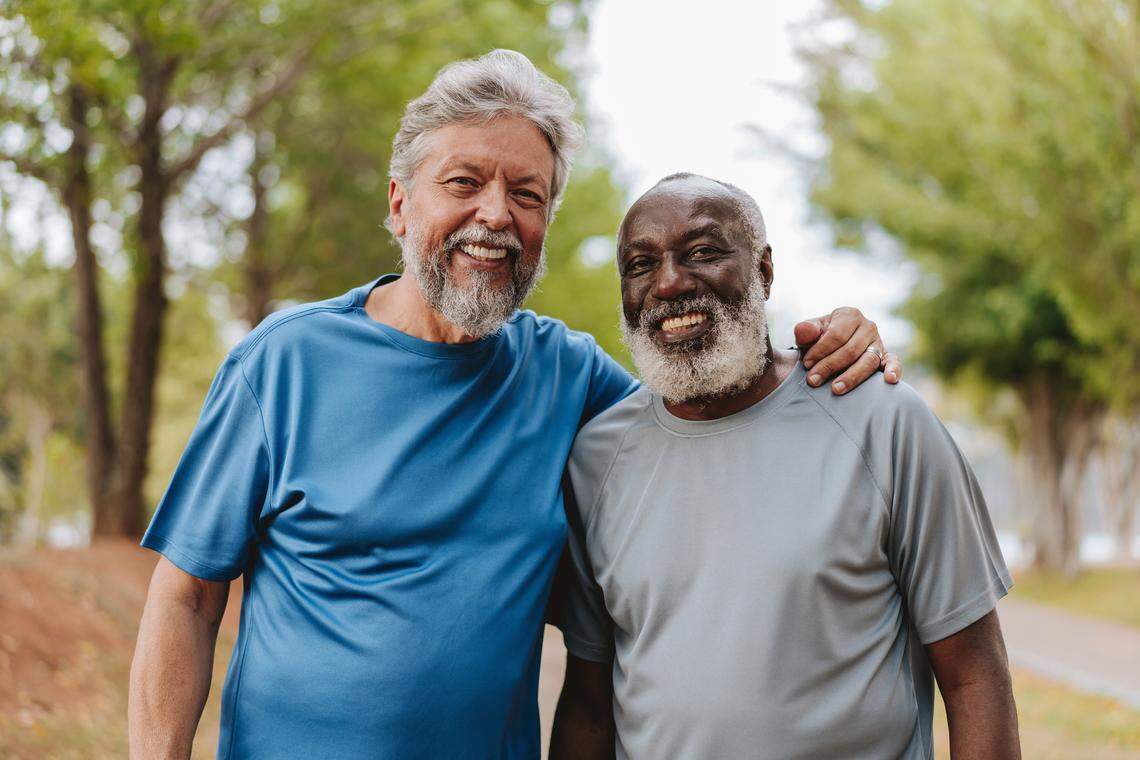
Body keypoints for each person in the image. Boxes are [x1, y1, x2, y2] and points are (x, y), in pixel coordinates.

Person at [127, 52, 900, 759]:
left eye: (525, 194)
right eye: (464, 182)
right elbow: (187, 599)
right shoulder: (282, 364)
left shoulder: (569, 377)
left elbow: (712, 412)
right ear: (400, 204)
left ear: (544, 227)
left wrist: (822, 345)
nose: (496, 214)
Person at [550, 173, 1019, 760]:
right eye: (640, 265)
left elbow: (976, 677)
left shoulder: (882, 421)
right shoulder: (597, 459)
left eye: (702, 252)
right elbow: (590, 708)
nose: (668, 283)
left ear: (764, 270)